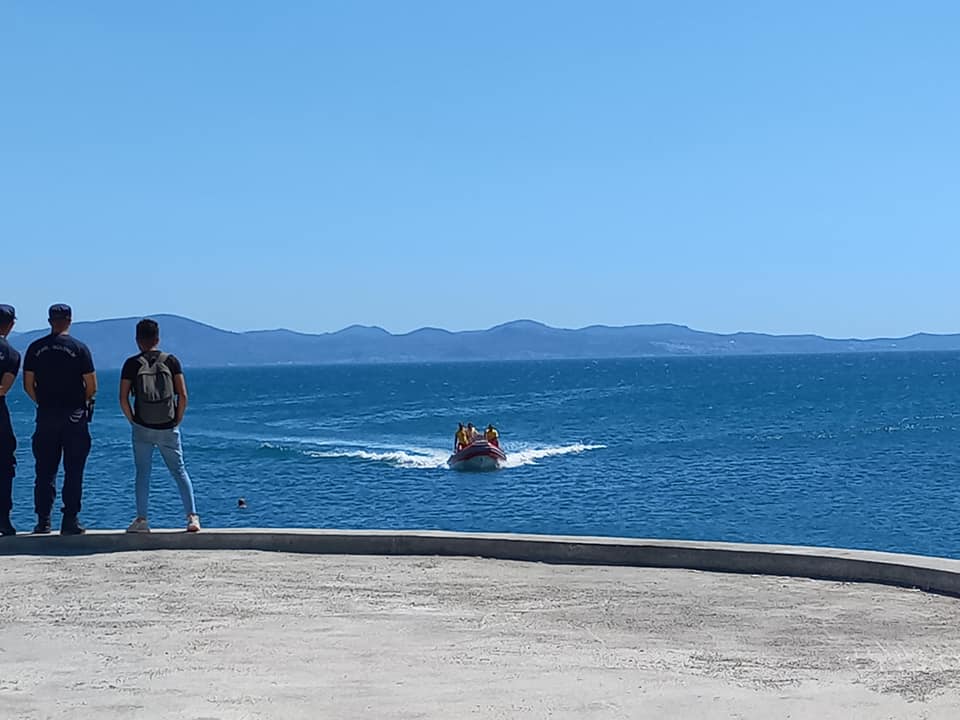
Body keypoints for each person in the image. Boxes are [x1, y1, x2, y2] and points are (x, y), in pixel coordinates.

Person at [119, 318, 200, 533]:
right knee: (179, 470)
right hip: (168, 425)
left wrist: (133, 420)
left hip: (142, 426)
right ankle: (192, 517)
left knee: (143, 473)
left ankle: (142, 520)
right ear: (157, 338)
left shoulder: (131, 364)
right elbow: (183, 395)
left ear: (137, 340)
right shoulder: (171, 361)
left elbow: (123, 398)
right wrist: (177, 419)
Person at [22, 304, 96, 535]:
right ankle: (70, 520)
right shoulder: (79, 348)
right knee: (74, 470)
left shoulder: (35, 348)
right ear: (69, 320)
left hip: (46, 415)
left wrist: (42, 402)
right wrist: (79, 402)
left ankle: (43, 520)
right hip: (74, 416)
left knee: (45, 471)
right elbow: (91, 385)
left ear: (49, 321)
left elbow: (27, 384)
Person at [0, 305, 20, 536]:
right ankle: (3, 519)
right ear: (11, 324)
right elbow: (3, 388)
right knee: (4, 465)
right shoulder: (12, 354)